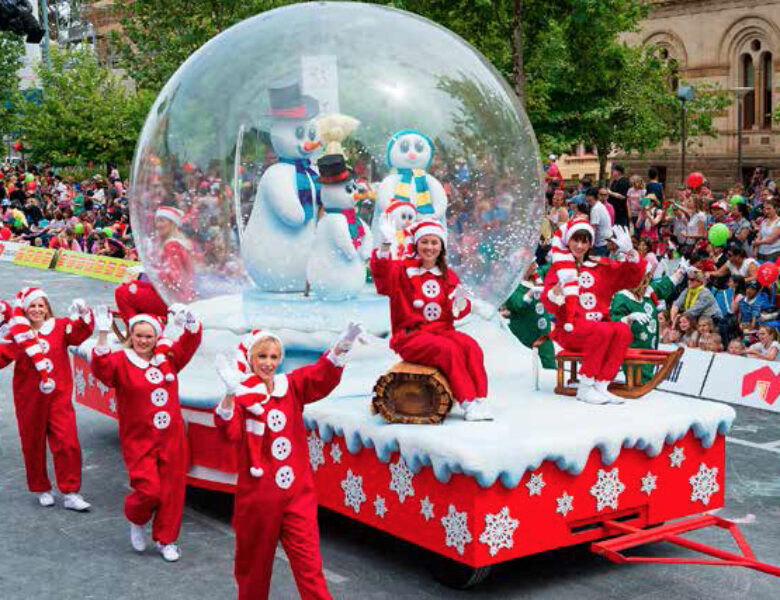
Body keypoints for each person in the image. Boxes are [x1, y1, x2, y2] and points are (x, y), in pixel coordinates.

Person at [213, 324, 362, 600]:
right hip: (258, 499)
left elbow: (321, 376)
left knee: (310, 567)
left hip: (297, 496)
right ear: (251, 359)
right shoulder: (243, 397)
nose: (268, 363)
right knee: (253, 570)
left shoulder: (290, 386)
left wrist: (342, 345)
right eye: (262, 356)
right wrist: (230, 395)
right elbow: (230, 433)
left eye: (273, 357)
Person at [90, 304, 202, 562]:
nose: (143, 341)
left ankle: (167, 540)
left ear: (157, 337)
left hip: (171, 437)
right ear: (131, 335)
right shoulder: (120, 361)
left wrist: (191, 321)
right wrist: (103, 334)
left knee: (172, 491)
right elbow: (101, 370)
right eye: (138, 335)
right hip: (139, 438)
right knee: (148, 490)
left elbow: (191, 341)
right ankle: (137, 519)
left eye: (148, 336)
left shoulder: (169, 358)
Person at [371, 217, 491, 420]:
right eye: (424, 242)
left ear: (441, 247)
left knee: (471, 346)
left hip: (442, 331)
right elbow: (383, 279)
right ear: (416, 244)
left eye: (434, 242)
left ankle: (480, 399)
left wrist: (463, 305)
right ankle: (468, 403)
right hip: (410, 336)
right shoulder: (402, 270)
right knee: (448, 350)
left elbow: (455, 310)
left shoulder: (448, 276)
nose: (429, 247)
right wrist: (385, 245)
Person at [1, 288, 94, 509]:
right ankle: (41, 487)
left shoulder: (60, 326)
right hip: (28, 397)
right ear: (25, 309)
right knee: (32, 443)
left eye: (41, 305)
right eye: (32, 306)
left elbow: (80, 333)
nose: (36, 309)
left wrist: (83, 313)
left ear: (47, 308)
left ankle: (71, 492)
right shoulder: (17, 333)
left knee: (68, 441)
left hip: (58, 396)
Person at [541, 219, 645, 404]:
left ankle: (601, 385)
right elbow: (549, 304)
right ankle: (585, 387)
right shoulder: (559, 268)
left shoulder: (600, 266)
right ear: (568, 241)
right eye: (576, 240)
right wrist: (558, 289)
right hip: (570, 330)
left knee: (622, 330)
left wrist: (630, 253)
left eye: (585, 241)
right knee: (603, 329)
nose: (580, 246)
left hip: (597, 328)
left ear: (590, 244)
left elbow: (631, 279)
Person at [503, 260, 556, 369]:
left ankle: (550, 380)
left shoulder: (537, 276)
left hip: (543, 332)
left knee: (549, 361)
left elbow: (552, 267)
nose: (536, 266)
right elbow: (517, 305)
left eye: (535, 262)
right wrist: (530, 293)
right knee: (526, 365)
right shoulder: (512, 286)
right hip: (524, 333)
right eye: (532, 264)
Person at [152, 206, 195, 302]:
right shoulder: (181, 242)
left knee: (124, 292)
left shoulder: (172, 245)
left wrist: (151, 272)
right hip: (183, 294)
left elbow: (173, 277)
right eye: (157, 221)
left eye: (162, 221)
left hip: (172, 298)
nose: (158, 225)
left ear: (172, 223)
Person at [586, 187, 612, 257]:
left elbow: (594, 228)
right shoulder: (600, 205)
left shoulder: (595, 209)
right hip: (607, 239)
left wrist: (590, 244)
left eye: (589, 199)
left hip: (601, 243)